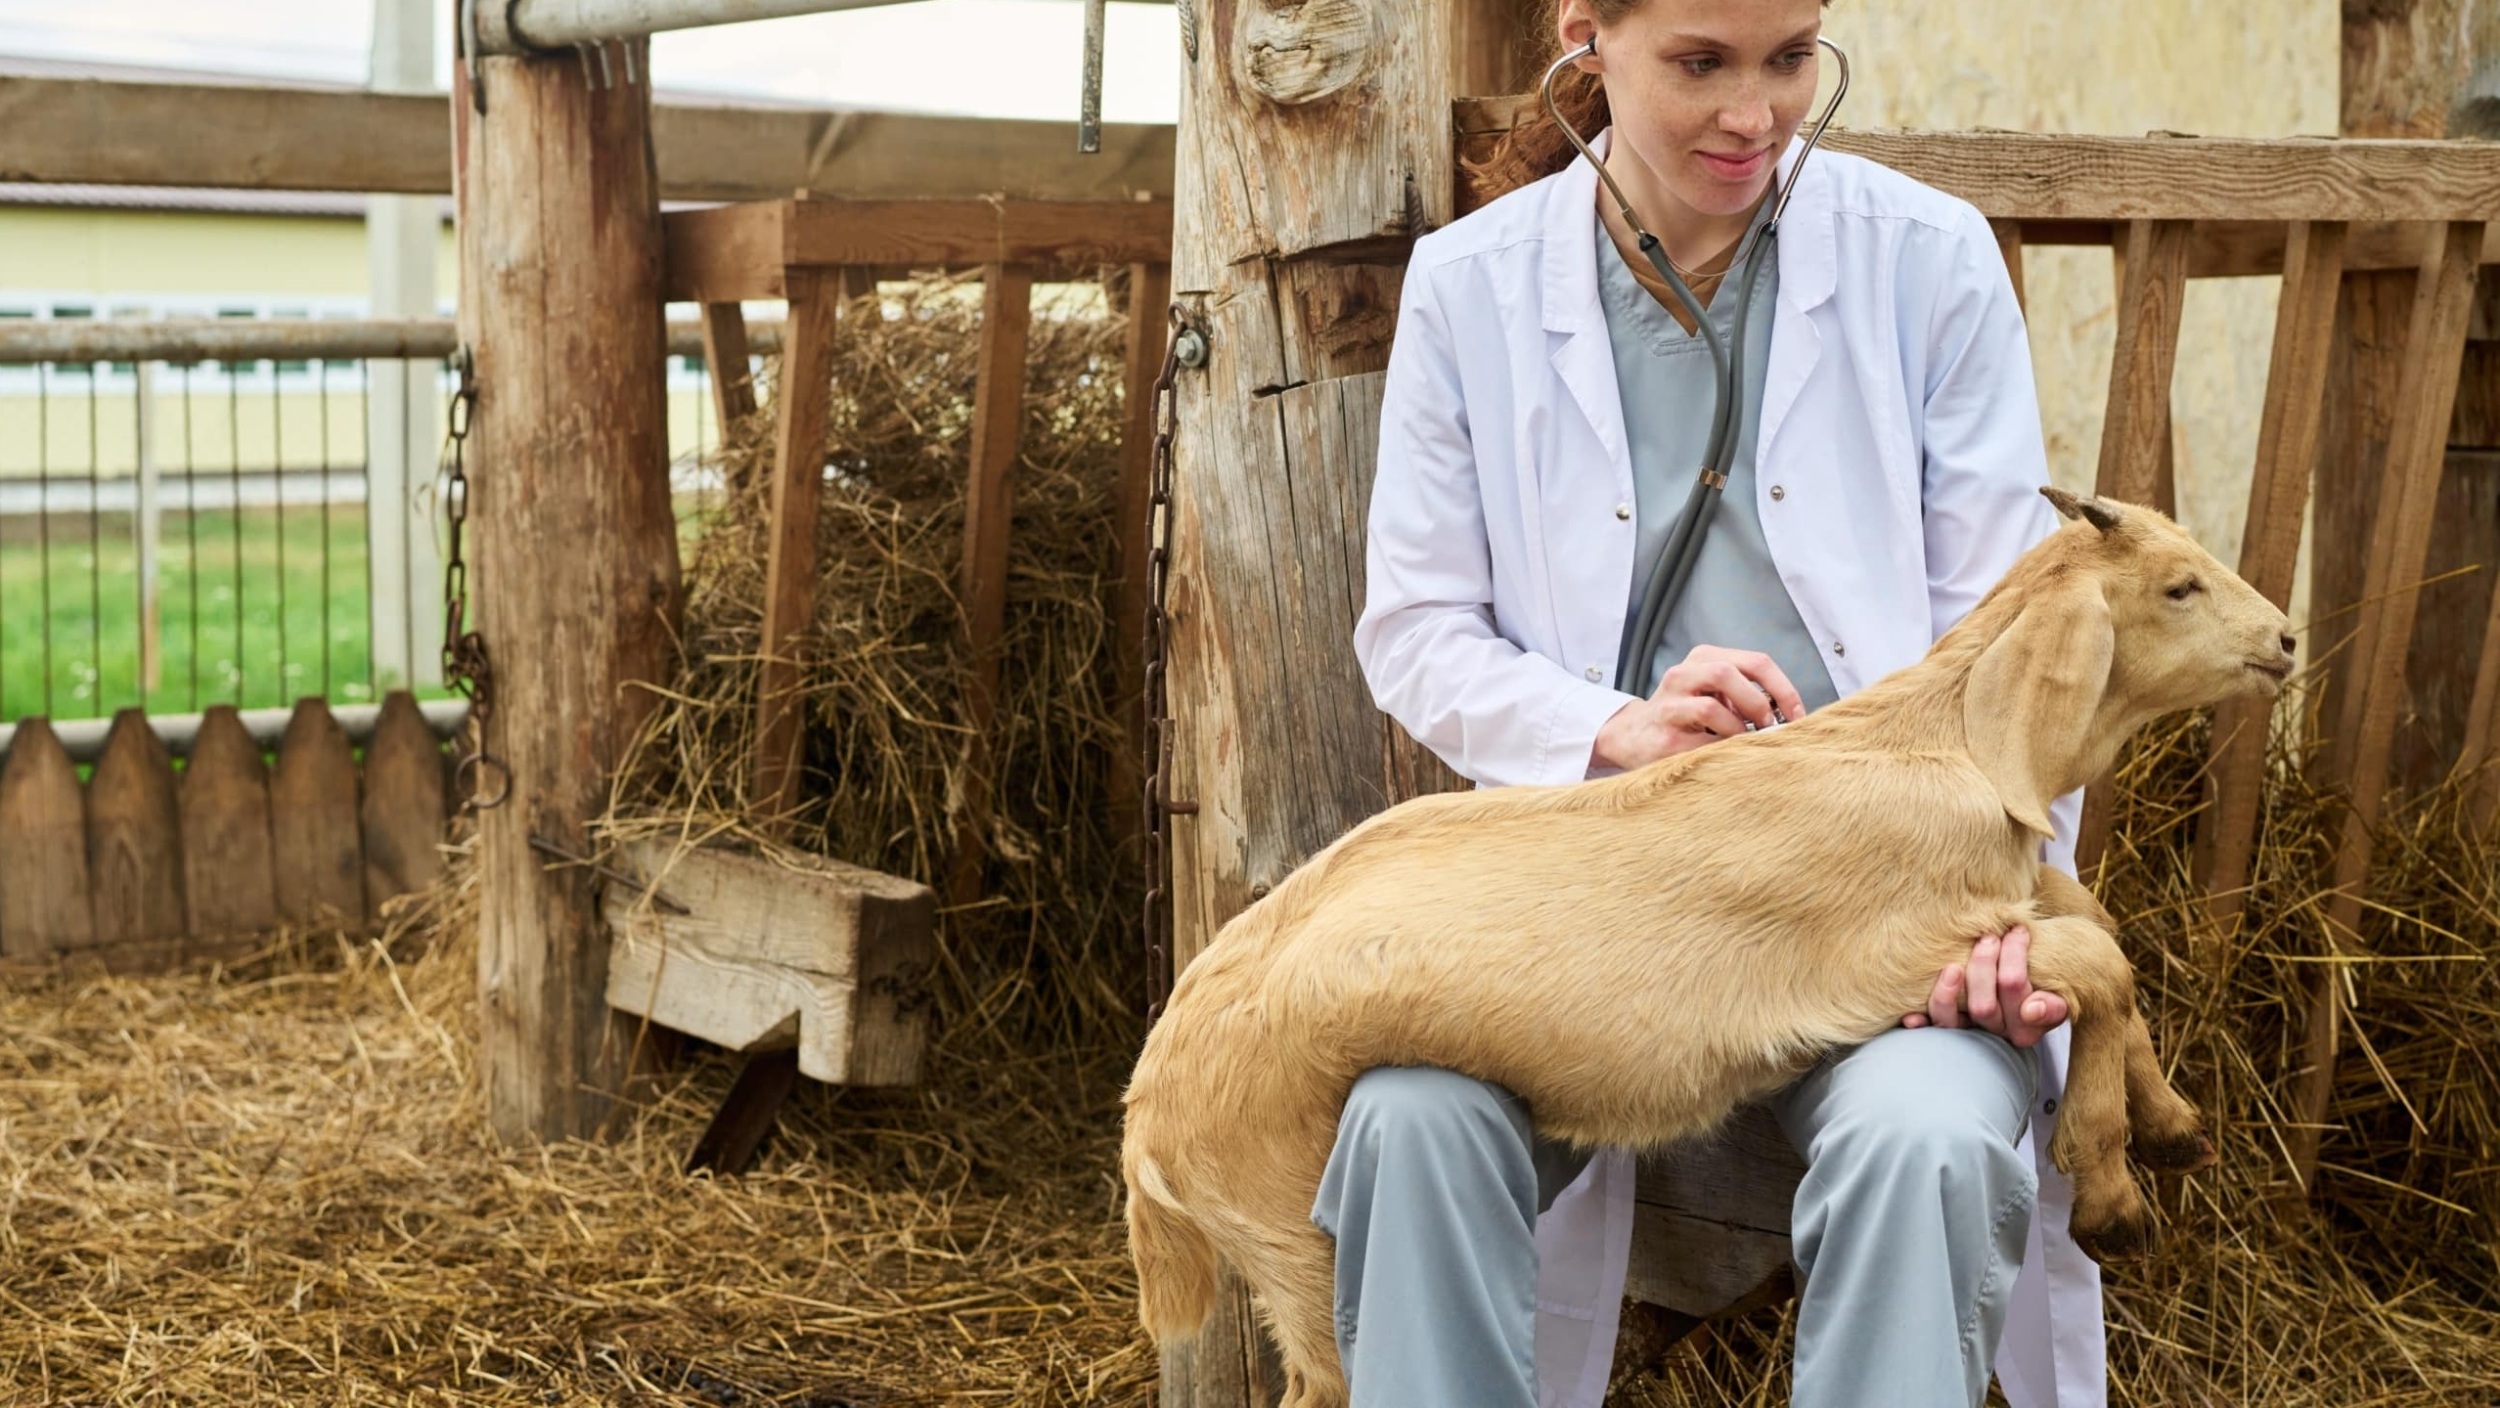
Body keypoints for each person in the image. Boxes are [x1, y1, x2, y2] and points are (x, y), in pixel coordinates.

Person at [1332, 0, 2106, 1405]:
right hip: (1594, 891)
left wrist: (2008, 902)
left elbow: (2024, 647)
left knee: (1929, 1140)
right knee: (1409, 1120)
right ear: (1589, 40)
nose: (1757, 115)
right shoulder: (1471, 284)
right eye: (1702, 63)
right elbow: (1418, 628)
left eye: (1791, 56)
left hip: (1877, 893)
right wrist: (1607, 727)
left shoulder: (1924, 262)